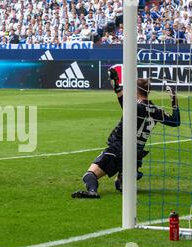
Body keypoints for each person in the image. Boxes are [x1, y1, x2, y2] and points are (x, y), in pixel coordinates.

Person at [72, 67, 181, 198]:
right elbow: (175, 121)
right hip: (136, 153)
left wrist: (116, 85)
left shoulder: (136, 107)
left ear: (136, 90)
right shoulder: (156, 110)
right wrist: (174, 101)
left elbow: (124, 102)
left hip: (118, 147)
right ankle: (127, 174)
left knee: (89, 175)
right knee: (120, 184)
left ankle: (92, 192)